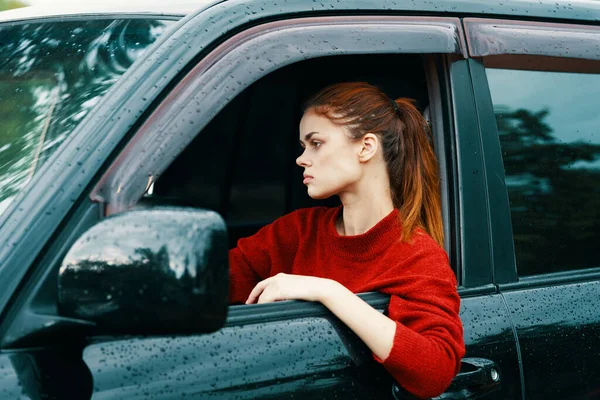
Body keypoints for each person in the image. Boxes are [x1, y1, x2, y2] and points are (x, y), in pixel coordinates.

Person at [228, 82, 465, 399]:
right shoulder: (296, 232)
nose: (301, 158)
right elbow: (216, 283)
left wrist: (327, 291)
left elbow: (435, 371)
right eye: (303, 146)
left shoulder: (416, 255)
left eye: (316, 143)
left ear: (366, 147)